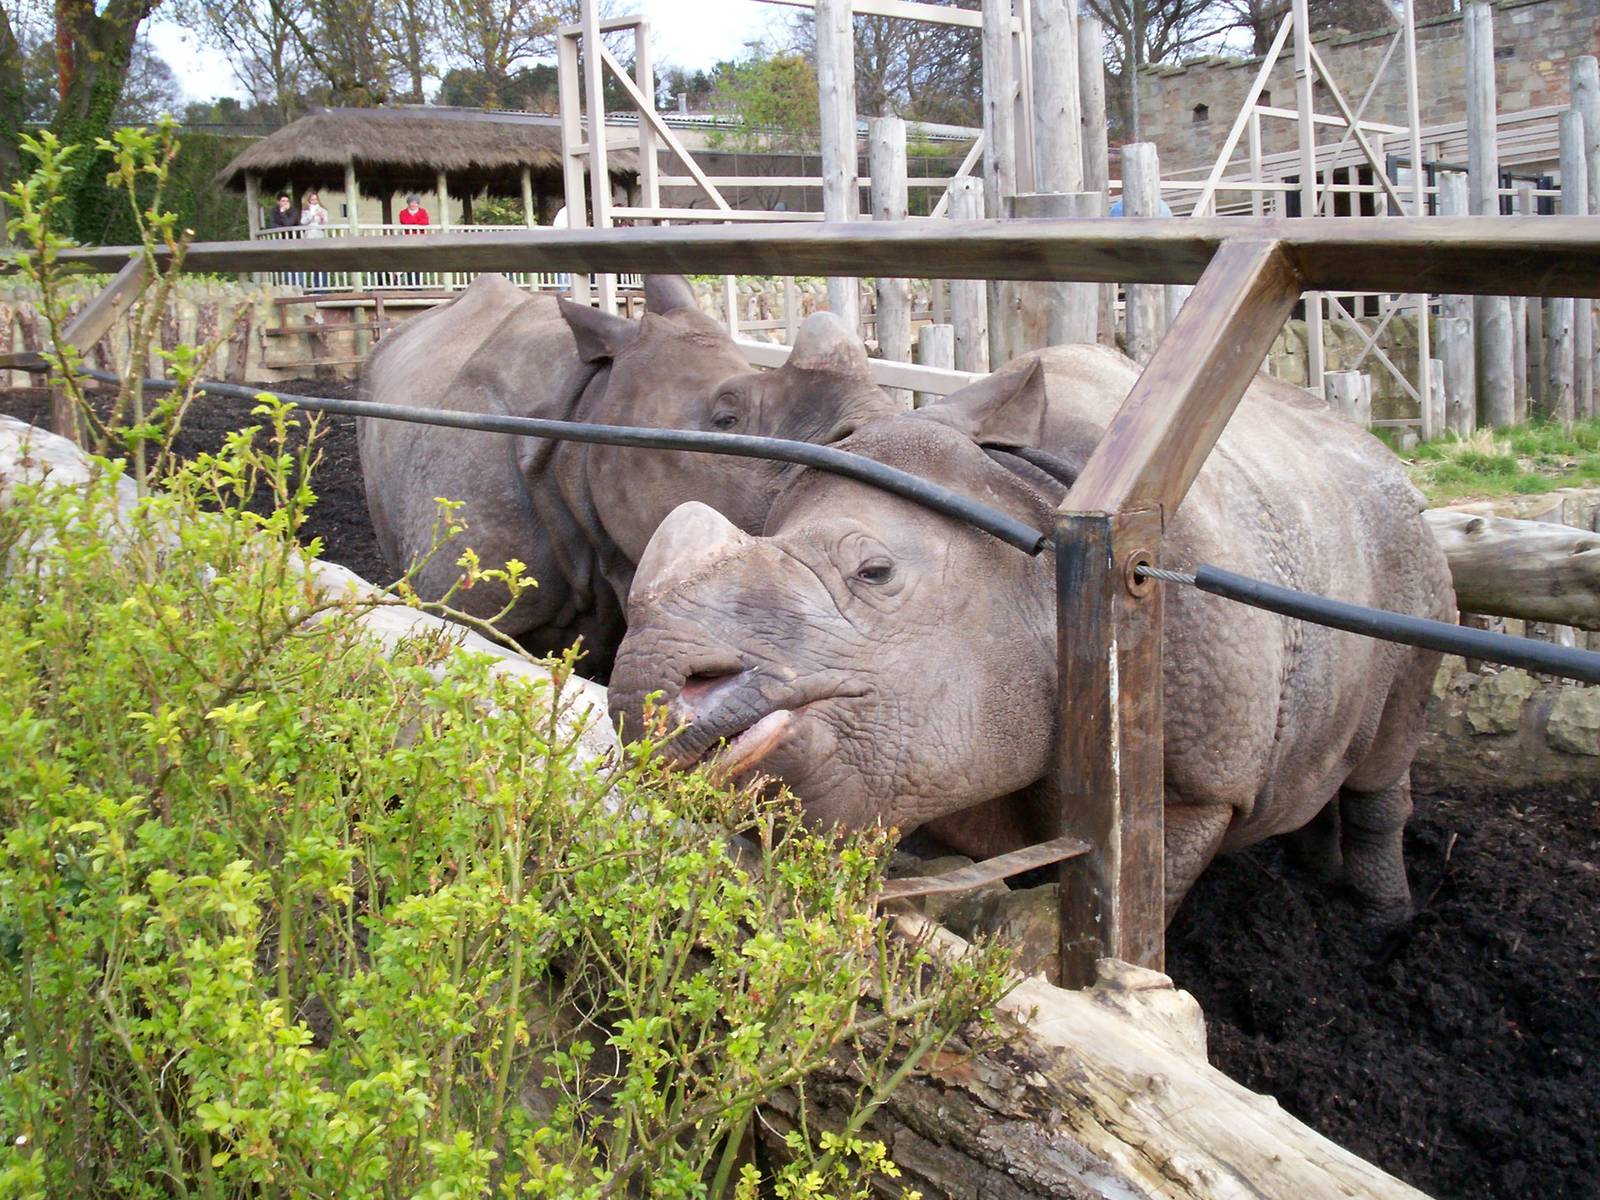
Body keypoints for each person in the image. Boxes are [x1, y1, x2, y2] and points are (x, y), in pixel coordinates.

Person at [299, 189, 330, 289]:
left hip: (319, 236)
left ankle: (323, 288)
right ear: (308, 200)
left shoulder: (323, 209)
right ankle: (311, 286)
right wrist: (312, 215)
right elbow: (303, 222)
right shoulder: (306, 211)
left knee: (321, 263)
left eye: (316, 199)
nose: (314, 201)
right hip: (309, 237)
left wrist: (322, 218)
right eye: (312, 200)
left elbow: (325, 223)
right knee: (310, 263)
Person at [398, 194, 429, 286]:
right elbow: (404, 222)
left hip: (420, 240)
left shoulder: (423, 212)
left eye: (416, 203)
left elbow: (425, 222)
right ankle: (410, 284)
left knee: (419, 262)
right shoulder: (403, 212)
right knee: (408, 261)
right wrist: (417, 222)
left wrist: (412, 221)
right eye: (412, 202)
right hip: (407, 240)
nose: (414, 204)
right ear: (408, 203)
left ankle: (418, 284)